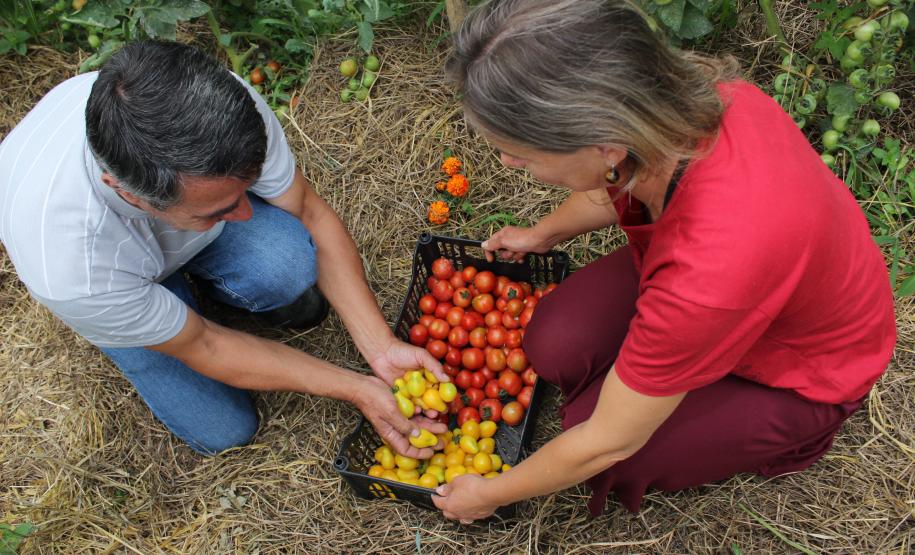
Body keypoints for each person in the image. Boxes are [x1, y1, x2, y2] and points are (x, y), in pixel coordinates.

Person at [433, 0, 896, 523]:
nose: (507, 163)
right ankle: (663, 379)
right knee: (553, 343)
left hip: (802, 368)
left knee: (607, 449)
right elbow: (613, 184)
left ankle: (793, 430)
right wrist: (543, 233)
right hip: (744, 288)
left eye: (521, 151)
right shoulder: (691, 107)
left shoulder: (709, 270)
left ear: (603, 141)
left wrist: (490, 493)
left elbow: (605, 443)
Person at [0, 40, 446, 458]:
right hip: (114, 278)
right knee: (223, 431)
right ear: (133, 196)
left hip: (148, 232)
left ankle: (197, 271)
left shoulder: (225, 111)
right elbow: (206, 345)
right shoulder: (71, 267)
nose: (250, 214)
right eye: (220, 209)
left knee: (288, 261)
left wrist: (380, 347)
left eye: (245, 192)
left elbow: (308, 212)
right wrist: (356, 388)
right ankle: (152, 310)